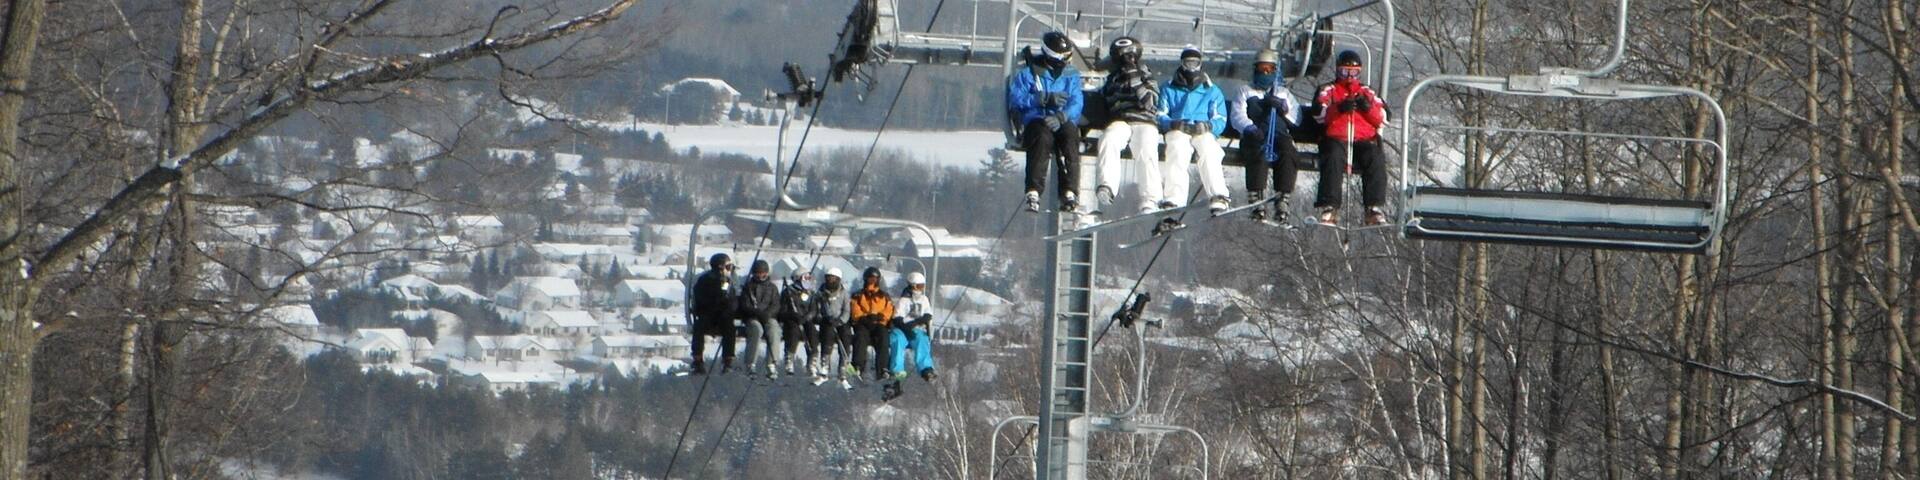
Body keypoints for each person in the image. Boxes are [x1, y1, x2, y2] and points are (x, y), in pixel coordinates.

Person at [1008, 31, 1085, 214]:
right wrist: (1040, 99)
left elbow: (1077, 101)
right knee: (1042, 139)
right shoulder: (1029, 74)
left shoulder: (1070, 75)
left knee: (1069, 137)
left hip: (1061, 120)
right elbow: (1015, 99)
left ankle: (1069, 190)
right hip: (1037, 120)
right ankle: (1033, 190)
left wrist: (1062, 116)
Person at [1312, 50, 1390, 226]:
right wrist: (1338, 109)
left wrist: (1367, 108)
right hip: (1336, 137)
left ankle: (1373, 207)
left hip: (1362, 139)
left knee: (1375, 156)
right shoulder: (1329, 90)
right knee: (1333, 156)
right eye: (1344, 71)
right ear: (1338, 70)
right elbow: (1318, 114)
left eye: (1353, 72)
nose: (1349, 76)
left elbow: (1384, 118)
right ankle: (1330, 205)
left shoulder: (1367, 92)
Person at [1229, 48, 1304, 223]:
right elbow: (1237, 115)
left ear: (1275, 71)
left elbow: (1297, 118)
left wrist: (1283, 108)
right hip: (1255, 134)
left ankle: (1282, 197)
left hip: (1279, 134)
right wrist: (1249, 128)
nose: (1265, 73)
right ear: (1255, 69)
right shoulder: (1246, 91)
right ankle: (1256, 197)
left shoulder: (1283, 93)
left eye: (1269, 69)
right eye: (1261, 68)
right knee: (1258, 152)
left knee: (1288, 152)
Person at [1157, 47, 1232, 214]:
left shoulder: (1211, 90)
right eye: (1188, 63)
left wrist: (1208, 126)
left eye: (1195, 63)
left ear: (1200, 64)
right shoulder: (1169, 88)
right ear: (1182, 64)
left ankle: (1218, 195)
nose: (1191, 67)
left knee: (1209, 148)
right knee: (1177, 148)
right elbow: (1160, 114)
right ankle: (1174, 198)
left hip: (1201, 130)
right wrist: (1173, 124)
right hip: (1179, 128)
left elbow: (1220, 118)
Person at [1093, 36, 1161, 216]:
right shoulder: (1113, 78)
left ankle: (1150, 198)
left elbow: (1150, 102)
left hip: (1144, 120)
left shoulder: (1145, 73)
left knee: (1145, 146)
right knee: (1109, 138)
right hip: (1122, 121)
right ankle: (1107, 185)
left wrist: (1135, 78)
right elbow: (1108, 101)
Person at [689, 253, 738, 375]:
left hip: (723, 316)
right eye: (728, 267)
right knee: (698, 327)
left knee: (730, 328)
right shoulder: (704, 281)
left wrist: (728, 307)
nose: (729, 270)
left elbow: (732, 300)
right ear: (720, 267)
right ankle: (697, 360)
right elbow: (700, 301)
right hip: (708, 315)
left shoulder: (728, 282)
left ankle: (728, 360)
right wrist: (717, 300)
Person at [735, 259, 782, 379]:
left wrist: (768, 314)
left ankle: (771, 363)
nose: (760, 276)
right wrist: (757, 313)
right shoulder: (748, 287)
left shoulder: (772, 288)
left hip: (768, 316)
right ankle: (751, 363)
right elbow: (745, 305)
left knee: (774, 330)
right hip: (752, 317)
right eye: (758, 274)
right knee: (757, 330)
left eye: (763, 274)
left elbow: (776, 304)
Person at [888, 272, 938, 382]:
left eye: (922, 286)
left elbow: (927, 315)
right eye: (919, 286)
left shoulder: (924, 299)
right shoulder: (903, 301)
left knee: (922, 339)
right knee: (897, 339)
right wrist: (906, 328)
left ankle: (926, 369)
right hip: (902, 329)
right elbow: (897, 318)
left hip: (916, 329)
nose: (921, 289)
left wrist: (915, 323)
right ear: (913, 286)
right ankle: (897, 370)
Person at [848, 267, 896, 381]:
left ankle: (883, 368)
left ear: (878, 280)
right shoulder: (858, 295)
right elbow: (855, 309)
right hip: (863, 323)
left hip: (879, 323)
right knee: (860, 337)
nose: (872, 281)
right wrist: (863, 317)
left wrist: (880, 317)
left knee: (883, 336)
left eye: (875, 279)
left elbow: (889, 310)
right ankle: (858, 365)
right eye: (870, 279)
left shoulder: (884, 296)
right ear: (865, 279)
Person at [813, 268, 853, 388]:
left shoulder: (844, 293)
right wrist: (822, 317)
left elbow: (847, 310)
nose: (830, 280)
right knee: (827, 338)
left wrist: (840, 321)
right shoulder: (820, 293)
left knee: (845, 338)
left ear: (838, 279)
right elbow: (816, 309)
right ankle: (825, 368)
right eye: (828, 277)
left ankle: (842, 370)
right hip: (827, 322)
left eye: (832, 278)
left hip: (841, 322)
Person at [777, 271, 818, 378]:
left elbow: (814, 309)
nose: (808, 280)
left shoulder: (811, 293)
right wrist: (792, 315)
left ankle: (812, 361)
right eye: (805, 278)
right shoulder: (788, 292)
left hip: (806, 320)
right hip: (791, 321)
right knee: (793, 332)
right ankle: (789, 359)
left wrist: (807, 317)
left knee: (812, 333)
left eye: (809, 278)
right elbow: (782, 311)